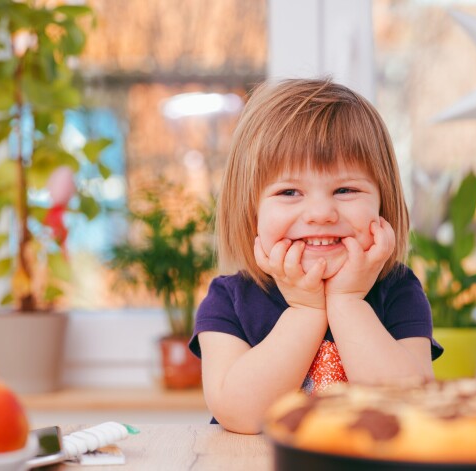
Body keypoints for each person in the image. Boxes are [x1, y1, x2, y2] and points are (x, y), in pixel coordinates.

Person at [189, 78, 443, 434]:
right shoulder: (229, 299)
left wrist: (348, 302)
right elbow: (240, 415)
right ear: (251, 212)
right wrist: (306, 310)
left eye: (346, 189)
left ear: (383, 204)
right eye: (290, 191)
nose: (321, 212)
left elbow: (409, 410)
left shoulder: (398, 290)